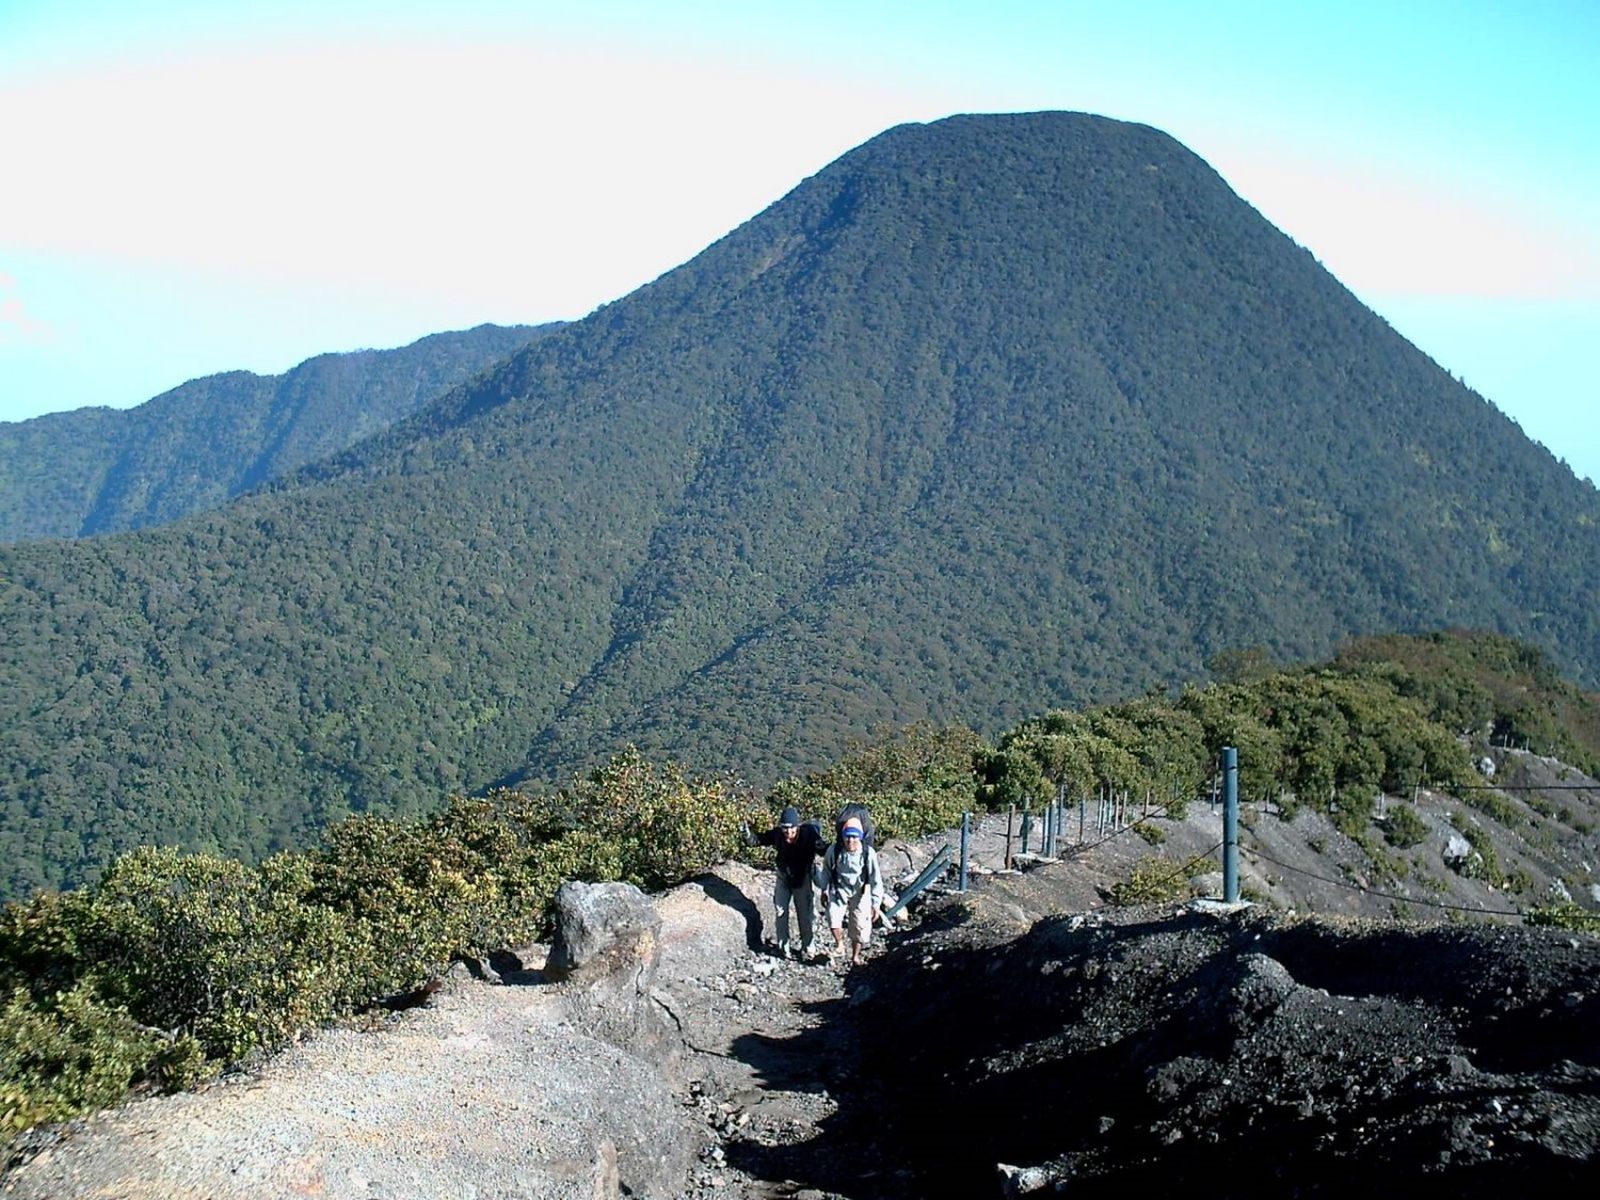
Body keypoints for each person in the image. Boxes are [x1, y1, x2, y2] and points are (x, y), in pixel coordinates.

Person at [743, 806, 827, 961]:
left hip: (802, 877)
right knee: (781, 912)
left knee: (805, 915)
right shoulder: (778, 835)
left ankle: (808, 947)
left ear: (798, 826)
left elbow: (824, 850)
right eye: (784, 828)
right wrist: (747, 835)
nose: (788, 832)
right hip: (783, 876)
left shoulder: (809, 836)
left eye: (791, 828)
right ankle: (784, 948)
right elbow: (758, 840)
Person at [822, 816, 885, 966]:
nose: (850, 841)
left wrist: (876, 903)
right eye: (847, 837)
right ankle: (840, 945)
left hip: (861, 891)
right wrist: (824, 889)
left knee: (860, 927)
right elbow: (826, 872)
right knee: (832, 917)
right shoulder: (834, 850)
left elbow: (876, 879)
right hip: (840, 888)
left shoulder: (868, 853)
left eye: (854, 837)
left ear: (860, 837)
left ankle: (855, 956)